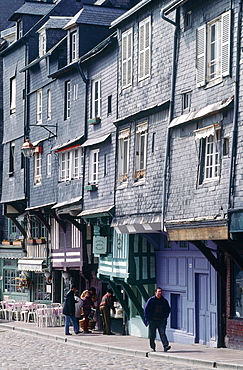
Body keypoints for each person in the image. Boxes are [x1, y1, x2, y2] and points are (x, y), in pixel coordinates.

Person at [144, 287, 171, 352]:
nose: (160, 293)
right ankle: (153, 347)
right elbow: (146, 310)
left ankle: (165, 346)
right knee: (152, 334)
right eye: (159, 291)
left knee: (162, 333)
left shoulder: (164, 301)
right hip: (153, 320)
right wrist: (148, 319)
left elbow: (168, 309)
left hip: (161, 320)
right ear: (155, 292)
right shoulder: (151, 300)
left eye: (161, 292)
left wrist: (165, 318)